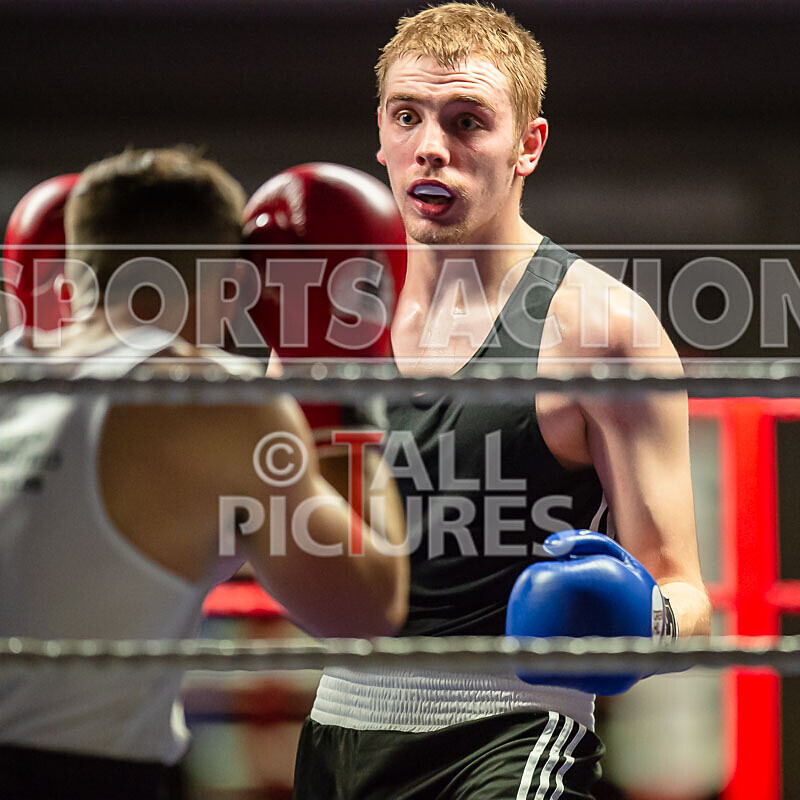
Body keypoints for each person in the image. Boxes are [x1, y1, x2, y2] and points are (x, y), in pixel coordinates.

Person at [291, 4, 711, 798]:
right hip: (335, 732)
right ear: (379, 134)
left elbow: (688, 596)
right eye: (407, 117)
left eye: (467, 122)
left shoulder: (602, 331)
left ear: (528, 145)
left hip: (513, 737)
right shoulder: (322, 321)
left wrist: (638, 620)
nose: (431, 149)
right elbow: (281, 547)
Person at [0, 148, 408, 800]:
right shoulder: (214, 402)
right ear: (230, 288)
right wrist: (335, 376)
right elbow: (366, 608)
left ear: (72, 273)